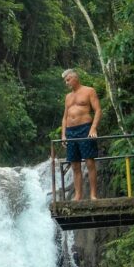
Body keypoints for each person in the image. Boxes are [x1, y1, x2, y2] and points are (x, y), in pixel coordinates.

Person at [60, 69, 101, 201]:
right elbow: (65, 117)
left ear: (75, 78)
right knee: (75, 165)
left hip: (85, 129)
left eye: (68, 80)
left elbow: (98, 110)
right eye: (65, 81)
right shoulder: (68, 97)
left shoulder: (89, 91)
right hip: (71, 132)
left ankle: (93, 195)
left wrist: (93, 128)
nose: (66, 83)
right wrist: (63, 135)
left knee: (89, 162)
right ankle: (78, 195)